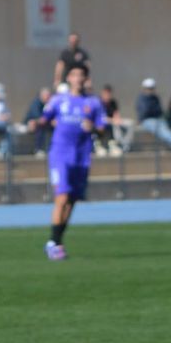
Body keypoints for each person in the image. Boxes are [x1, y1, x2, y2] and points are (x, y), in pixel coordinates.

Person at [42, 63, 106, 261]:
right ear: (68, 78)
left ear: (86, 79)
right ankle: (52, 242)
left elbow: (103, 129)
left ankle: (57, 241)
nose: (78, 78)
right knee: (61, 197)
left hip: (82, 155)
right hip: (60, 154)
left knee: (71, 201)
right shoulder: (58, 100)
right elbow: (44, 119)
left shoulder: (94, 103)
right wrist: (35, 123)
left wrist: (93, 128)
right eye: (74, 74)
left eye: (81, 75)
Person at [136, 78, 171, 150]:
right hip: (147, 121)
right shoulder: (142, 98)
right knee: (161, 130)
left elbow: (160, 111)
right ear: (144, 88)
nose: (150, 90)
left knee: (166, 127)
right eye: (148, 88)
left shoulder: (155, 98)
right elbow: (145, 112)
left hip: (158, 119)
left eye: (151, 88)